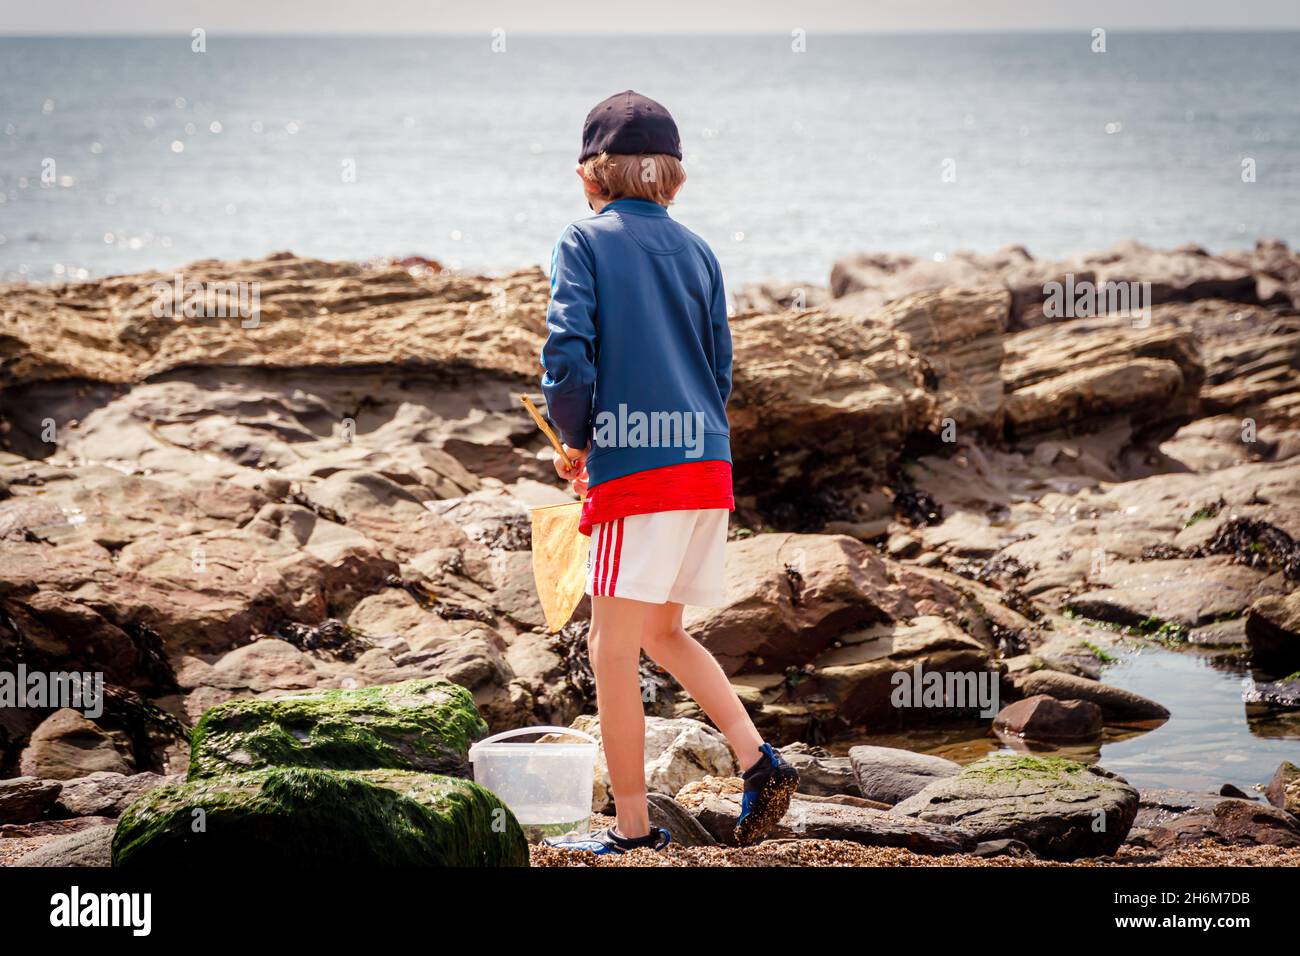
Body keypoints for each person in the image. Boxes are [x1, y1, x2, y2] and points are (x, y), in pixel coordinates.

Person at [539, 90, 798, 855]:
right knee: (662, 631)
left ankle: (632, 830)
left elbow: (567, 351)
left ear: (593, 174)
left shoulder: (582, 241)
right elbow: (719, 370)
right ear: (672, 176)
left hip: (640, 470)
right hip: (705, 465)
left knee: (610, 647)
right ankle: (759, 759)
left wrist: (575, 436)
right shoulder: (699, 250)